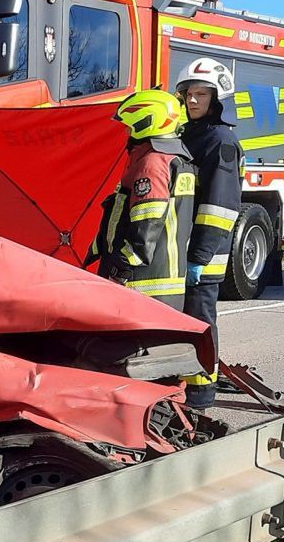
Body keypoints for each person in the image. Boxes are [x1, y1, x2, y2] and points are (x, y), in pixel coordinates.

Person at [174, 56, 244, 408]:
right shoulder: (189, 134)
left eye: (201, 94)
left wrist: (199, 258)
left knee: (200, 321)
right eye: (188, 93)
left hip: (205, 256)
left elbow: (219, 206)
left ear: (217, 99)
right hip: (186, 251)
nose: (192, 101)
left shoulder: (221, 141)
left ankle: (202, 393)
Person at [86, 89, 197, 308]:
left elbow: (146, 229)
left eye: (131, 125)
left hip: (142, 285)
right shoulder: (175, 161)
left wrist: (119, 272)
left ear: (146, 123)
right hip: (164, 284)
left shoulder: (152, 164)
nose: (127, 131)